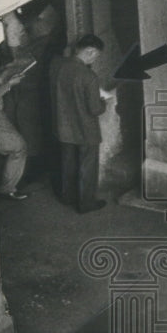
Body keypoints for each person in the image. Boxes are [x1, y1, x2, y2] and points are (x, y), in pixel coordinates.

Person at [50, 33, 116, 214]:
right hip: (85, 129)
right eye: (96, 55)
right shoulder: (88, 76)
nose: (95, 58)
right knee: (87, 166)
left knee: (68, 162)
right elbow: (95, 109)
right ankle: (86, 203)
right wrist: (105, 101)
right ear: (90, 51)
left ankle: (67, 196)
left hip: (63, 127)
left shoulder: (57, 67)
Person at [0, 56, 29, 201]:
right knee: (18, 148)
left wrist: (6, 72)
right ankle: (7, 189)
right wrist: (9, 83)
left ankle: (7, 186)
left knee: (17, 148)